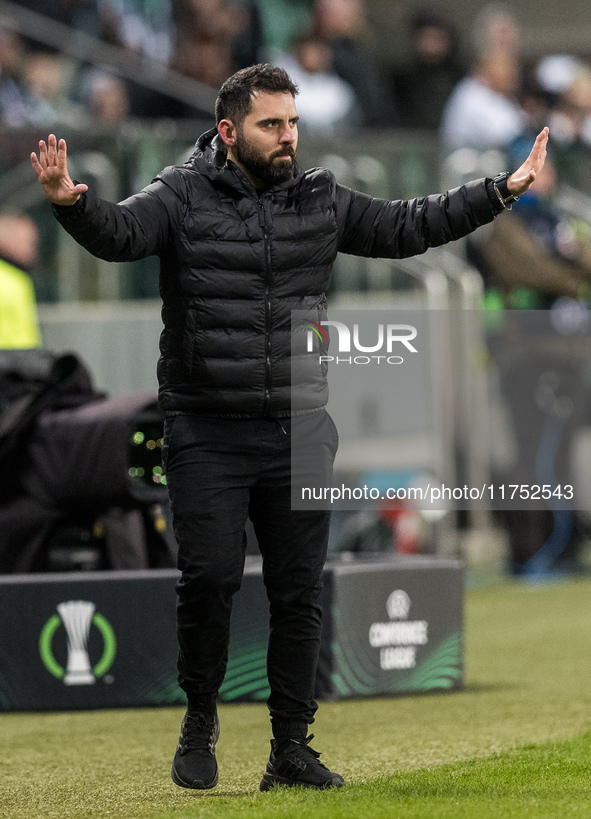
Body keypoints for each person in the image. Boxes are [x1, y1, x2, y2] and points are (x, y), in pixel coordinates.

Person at [31, 63, 548, 792]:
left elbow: (408, 225)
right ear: (228, 130)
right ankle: (200, 717)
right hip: (204, 426)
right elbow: (119, 234)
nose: (287, 138)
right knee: (207, 578)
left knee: (298, 590)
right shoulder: (180, 192)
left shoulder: (320, 197)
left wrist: (498, 190)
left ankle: (289, 749)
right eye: (272, 124)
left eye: (293, 123)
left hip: (301, 427)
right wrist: (69, 204)